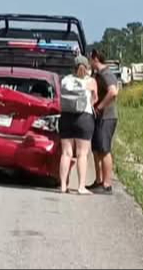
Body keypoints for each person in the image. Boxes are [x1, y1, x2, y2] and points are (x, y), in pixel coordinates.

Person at [59, 56, 98, 195]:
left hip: (66, 117)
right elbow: (95, 99)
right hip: (84, 118)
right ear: (87, 67)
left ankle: (63, 185)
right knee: (82, 154)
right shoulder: (91, 81)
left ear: (73, 67)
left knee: (66, 153)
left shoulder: (65, 80)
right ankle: (81, 187)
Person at [88, 50, 119, 194]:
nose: (89, 62)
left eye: (90, 59)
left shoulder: (107, 73)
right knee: (97, 149)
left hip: (107, 117)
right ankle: (99, 180)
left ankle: (107, 184)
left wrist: (100, 107)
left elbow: (113, 92)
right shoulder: (97, 75)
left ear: (95, 59)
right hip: (99, 117)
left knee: (105, 149)